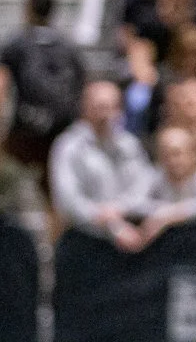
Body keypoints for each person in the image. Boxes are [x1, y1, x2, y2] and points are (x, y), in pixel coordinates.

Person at [0, 0, 86, 172]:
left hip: (24, 131)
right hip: (62, 133)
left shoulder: (15, 44)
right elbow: (83, 88)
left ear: (28, 8)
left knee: (13, 178)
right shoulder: (69, 47)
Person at [49, 80, 156, 250]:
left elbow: (144, 185)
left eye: (112, 107)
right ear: (84, 108)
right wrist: (112, 225)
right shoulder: (68, 146)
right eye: (100, 107)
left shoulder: (129, 144)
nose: (106, 115)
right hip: (84, 240)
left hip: (131, 232)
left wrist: (119, 209)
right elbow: (68, 202)